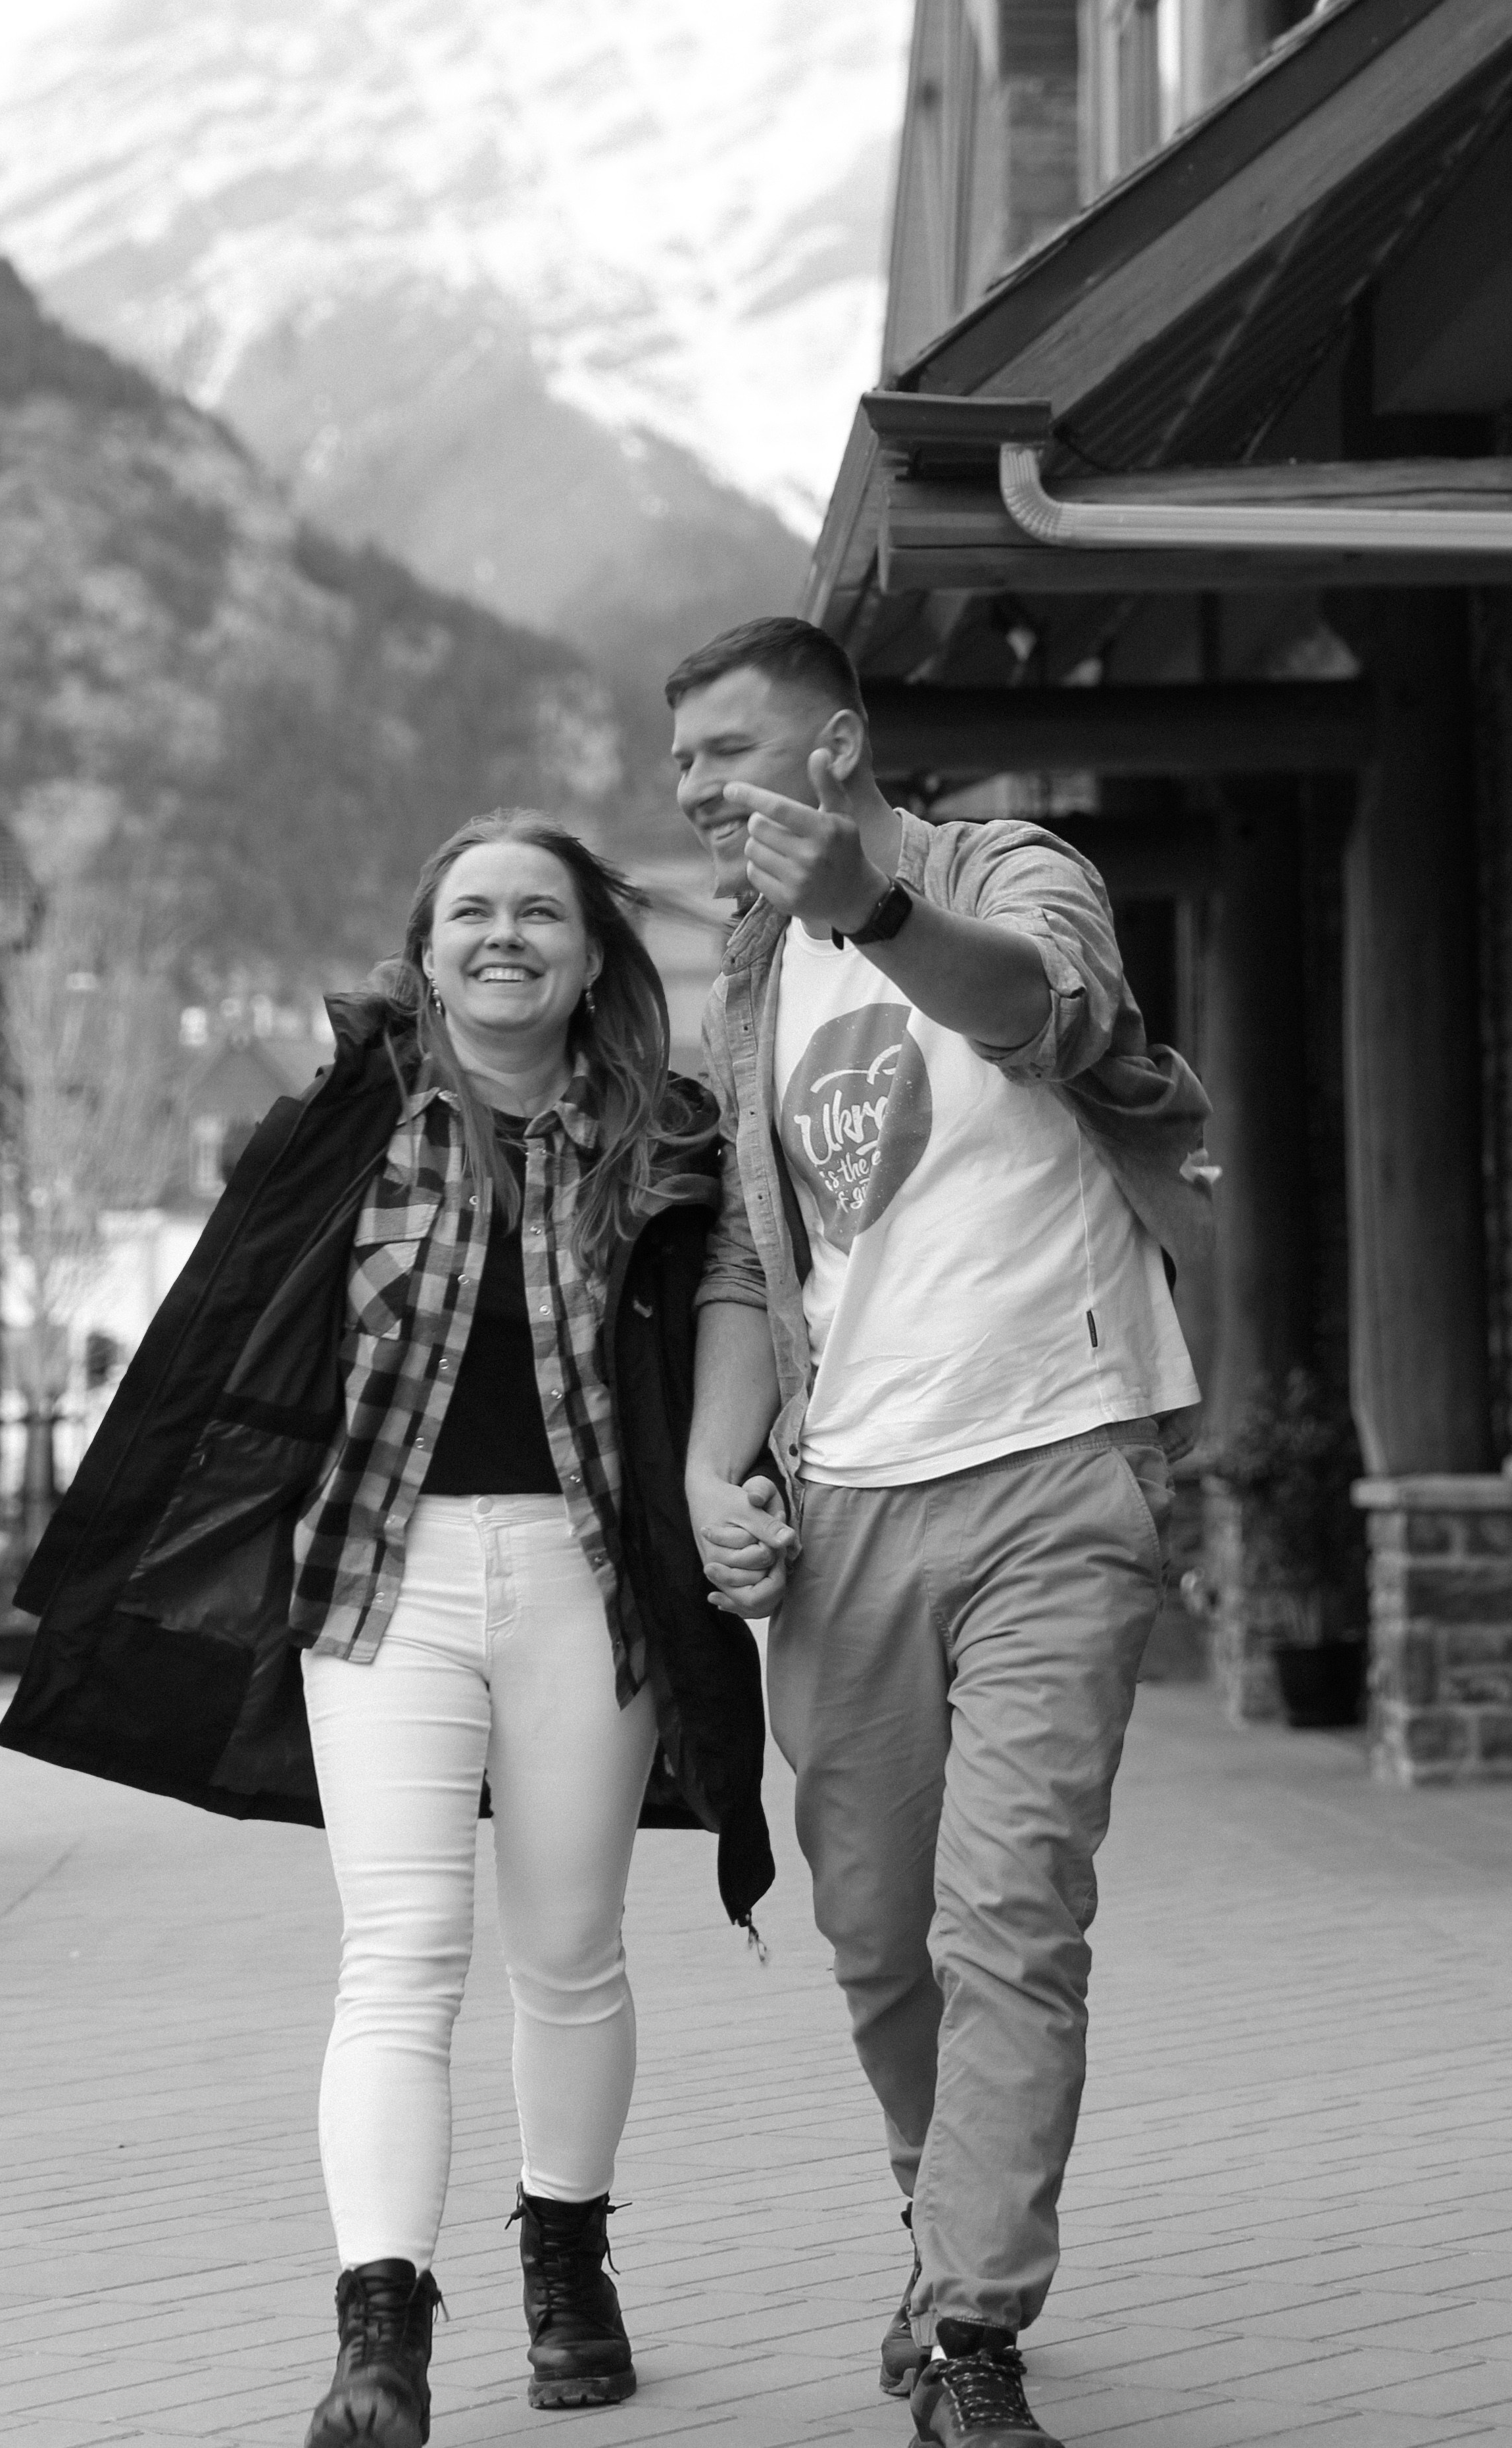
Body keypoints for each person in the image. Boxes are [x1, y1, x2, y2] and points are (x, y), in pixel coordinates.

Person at [0, 811, 773, 2448]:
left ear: (588, 954)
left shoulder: (667, 1132)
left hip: (585, 1581)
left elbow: (736, 1315)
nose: (505, 937)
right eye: (471, 912)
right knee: (399, 1954)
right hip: (381, 1583)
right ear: (424, 951)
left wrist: (725, 1487)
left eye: (539, 914)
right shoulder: (346, 1131)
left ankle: (566, 2257)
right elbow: (226, 1344)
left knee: (568, 1952)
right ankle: (381, 2328)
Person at [668, 618, 1214, 2448]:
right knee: (880, 1931)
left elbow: (1053, 1015)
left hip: (1061, 1464)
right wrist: (709, 1472)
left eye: (722, 751)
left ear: (832, 750)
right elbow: (759, 1249)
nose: (688, 793)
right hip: (852, 1501)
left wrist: (880, 912)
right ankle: (939, 2217)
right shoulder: (752, 975)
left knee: (1007, 1911)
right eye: (671, 763)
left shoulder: (1003, 869)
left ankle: (974, 2330)